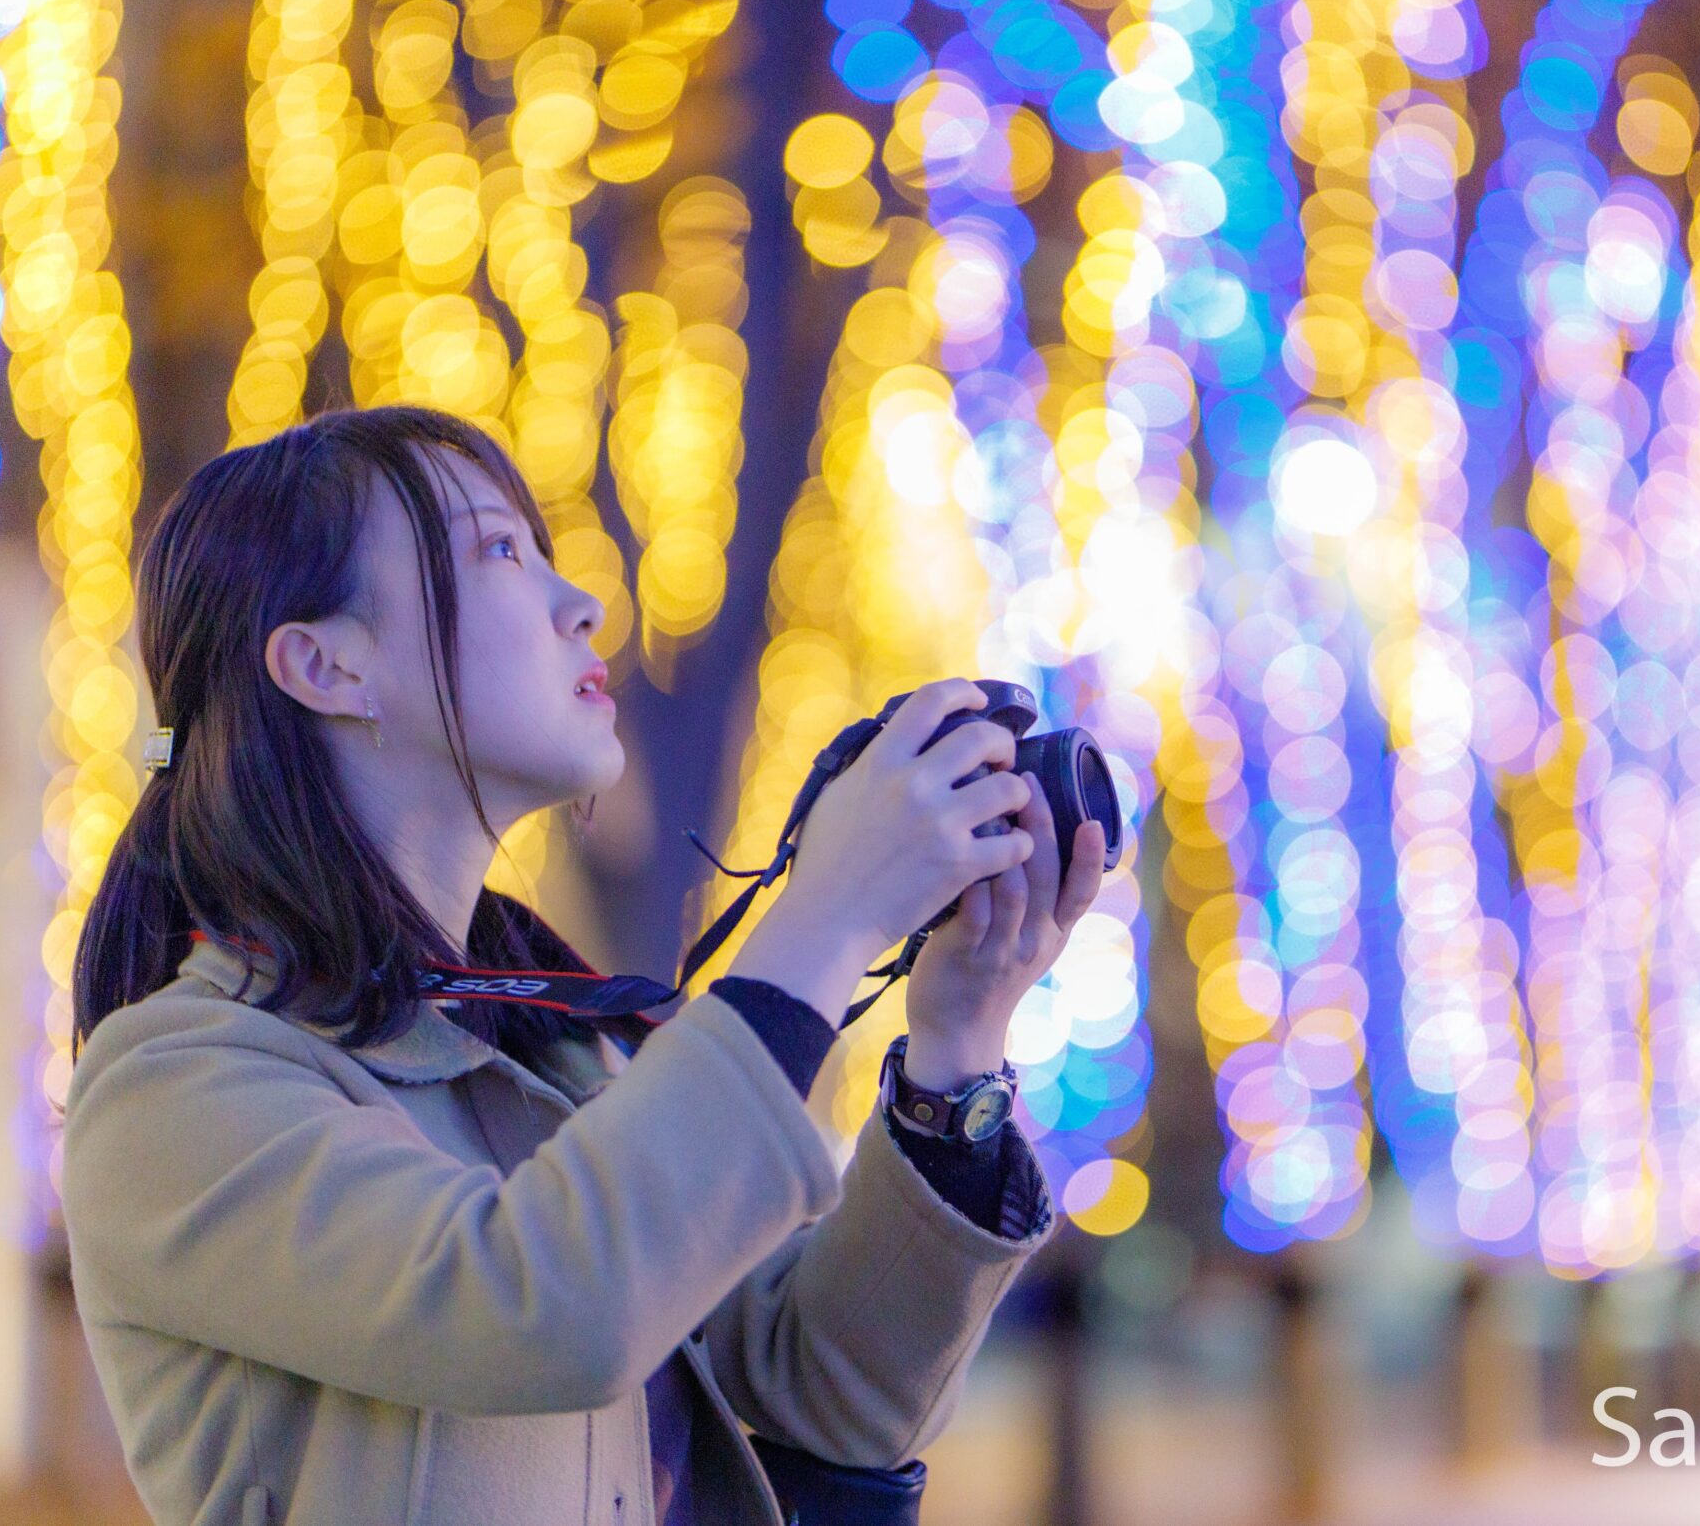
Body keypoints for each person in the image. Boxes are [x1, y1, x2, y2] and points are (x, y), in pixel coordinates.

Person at [60, 404, 1110, 1525]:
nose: (583, 604)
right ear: (326, 664)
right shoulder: (175, 1088)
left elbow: (834, 1389)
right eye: (499, 550)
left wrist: (958, 1048)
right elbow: (538, 1301)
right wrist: (829, 917)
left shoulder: (544, 1057)